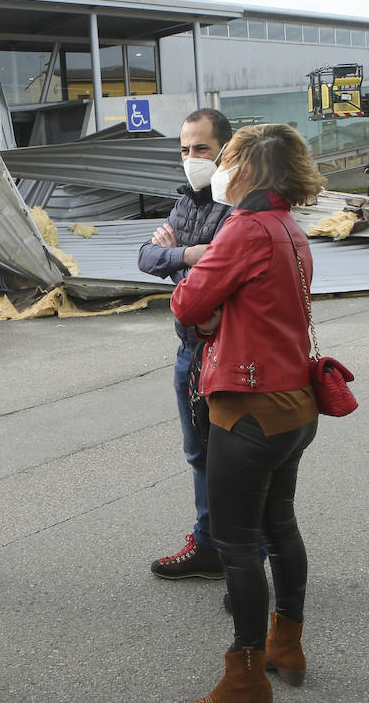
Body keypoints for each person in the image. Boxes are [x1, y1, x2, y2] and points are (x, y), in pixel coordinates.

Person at [171, 123, 326, 702]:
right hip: (295, 406)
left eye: (227, 159)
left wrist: (197, 289)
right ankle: (287, 644)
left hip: (247, 408)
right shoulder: (289, 226)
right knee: (279, 526)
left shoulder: (244, 229)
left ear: (248, 171)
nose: (219, 171)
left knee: (237, 546)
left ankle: (245, 675)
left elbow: (188, 301)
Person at [138, 108, 235, 580]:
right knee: (198, 454)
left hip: (227, 351)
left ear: (225, 152)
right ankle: (208, 545)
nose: (191, 158)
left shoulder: (237, 205)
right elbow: (145, 256)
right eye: (184, 149)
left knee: (231, 460)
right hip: (189, 351)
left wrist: (177, 259)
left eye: (202, 149)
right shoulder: (187, 202)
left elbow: (213, 283)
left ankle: (241, 557)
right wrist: (189, 256)